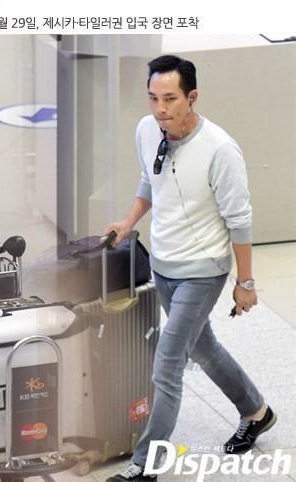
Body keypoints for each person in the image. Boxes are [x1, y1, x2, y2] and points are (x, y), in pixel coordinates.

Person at [104, 55, 276, 481]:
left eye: (170, 99)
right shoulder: (147, 130)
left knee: (168, 363)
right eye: (153, 98)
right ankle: (257, 412)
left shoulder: (220, 149)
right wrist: (128, 221)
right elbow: (150, 180)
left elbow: (240, 221)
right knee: (202, 347)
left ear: (192, 97)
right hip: (163, 263)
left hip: (203, 270)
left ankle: (146, 465)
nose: (160, 109)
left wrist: (245, 282)